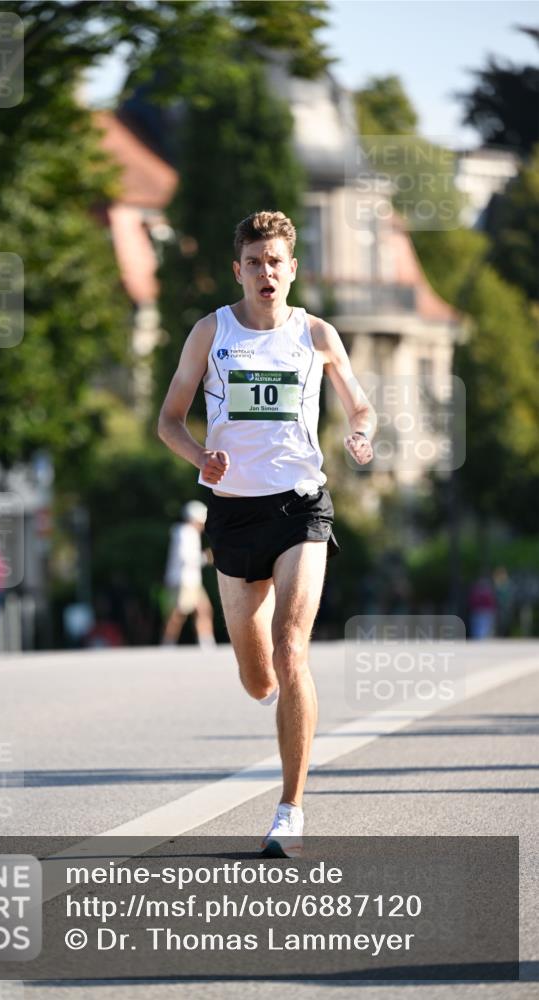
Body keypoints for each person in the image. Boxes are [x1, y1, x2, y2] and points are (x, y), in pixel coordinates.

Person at [158, 210, 375, 856]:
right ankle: (276, 695)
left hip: (300, 506)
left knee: (290, 649)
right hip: (232, 513)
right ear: (239, 270)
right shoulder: (209, 333)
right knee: (258, 677)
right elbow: (169, 420)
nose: (265, 273)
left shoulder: (315, 334)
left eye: (275, 262)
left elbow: (358, 403)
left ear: (292, 269)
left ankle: (290, 808)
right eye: (254, 262)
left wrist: (359, 432)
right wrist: (201, 459)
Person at [162, 500, 216, 649]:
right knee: (178, 614)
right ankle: (168, 643)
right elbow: (186, 557)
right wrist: (206, 557)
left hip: (190, 580)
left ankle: (206, 641)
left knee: (203, 609)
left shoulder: (184, 532)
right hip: (185, 580)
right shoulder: (186, 533)